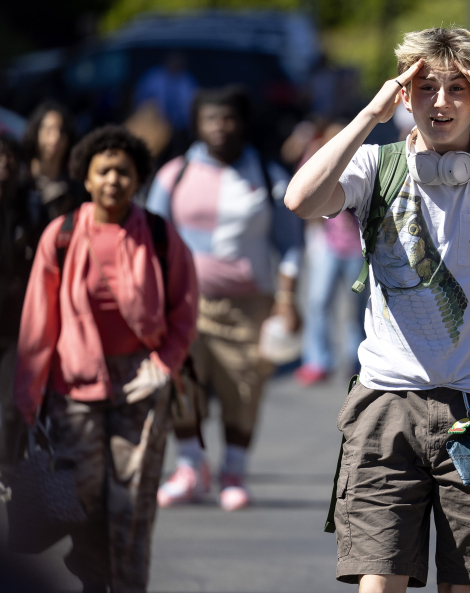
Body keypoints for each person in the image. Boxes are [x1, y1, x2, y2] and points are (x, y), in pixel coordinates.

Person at [285, 27, 470, 591]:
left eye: (457, 88)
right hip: (387, 403)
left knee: (469, 582)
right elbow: (301, 199)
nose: (441, 103)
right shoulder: (375, 165)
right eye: (426, 88)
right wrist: (369, 113)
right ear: (404, 96)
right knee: (377, 579)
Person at [14, 125, 198, 592]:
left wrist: (164, 365)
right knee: (85, 493)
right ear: (87, 179)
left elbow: (186, 307)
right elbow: (39, 321)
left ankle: (129, 585)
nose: (114, 180)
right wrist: (26, 398)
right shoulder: (62, 234)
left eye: (123, 171)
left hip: (142, 378)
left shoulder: (158, 233)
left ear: (137, 179)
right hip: (73, 384)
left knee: (132, 502)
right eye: (104, 171)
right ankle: (95, 577)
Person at [148, 86, 304, 511]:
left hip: (248, 304)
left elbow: (291, 245)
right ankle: (189, 466)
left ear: (242, 123)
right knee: (181, 384)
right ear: (196, 124)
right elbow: (151, 240)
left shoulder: (268, 176)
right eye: (210, 118)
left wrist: (287, 299)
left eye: (228, 118)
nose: (220, 126)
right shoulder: (173, 175)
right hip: (183, 303)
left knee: (244, 387)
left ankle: (233, 471)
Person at [283, 119, 367, 386]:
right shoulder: (316, 160)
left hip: (356, 247)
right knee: (318, 303)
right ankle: (318, 360)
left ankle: (356, 362)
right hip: (327, 245)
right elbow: (300, 195)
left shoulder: (362, 162)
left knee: (356, 309)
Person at [0, 134, 41, 467]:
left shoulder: (34, 207)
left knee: (12, 410)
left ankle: (7, 480)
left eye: (11, 156)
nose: (4, 163)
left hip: (19, 329)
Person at [21, 101, 81, 225]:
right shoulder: (18, 177)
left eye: (62, 131)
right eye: (49, 129)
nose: (56, 137)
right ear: (36, 132)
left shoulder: (75, 188)